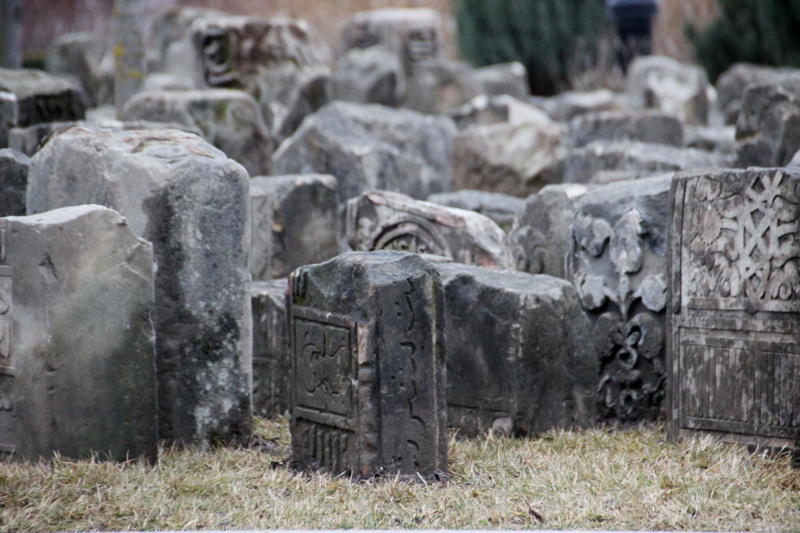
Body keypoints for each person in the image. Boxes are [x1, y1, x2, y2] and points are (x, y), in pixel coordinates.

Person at [606, 0, 659, 72]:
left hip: (620, 8)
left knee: (623, 44)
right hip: (645, 7)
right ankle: (646, 68)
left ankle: (625, 70)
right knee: (645, 44)